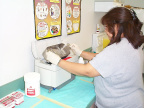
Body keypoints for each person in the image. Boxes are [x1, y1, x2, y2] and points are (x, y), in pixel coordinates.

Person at [44, 7, 144, 108]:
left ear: (117, 26)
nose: (105, 30)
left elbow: (87, 71)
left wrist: (58, 61)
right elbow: (107, 59)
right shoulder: (132, 42)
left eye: (106, 26)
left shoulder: (116, 50)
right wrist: (81, 53)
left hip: (120, 104)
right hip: (134, 99)